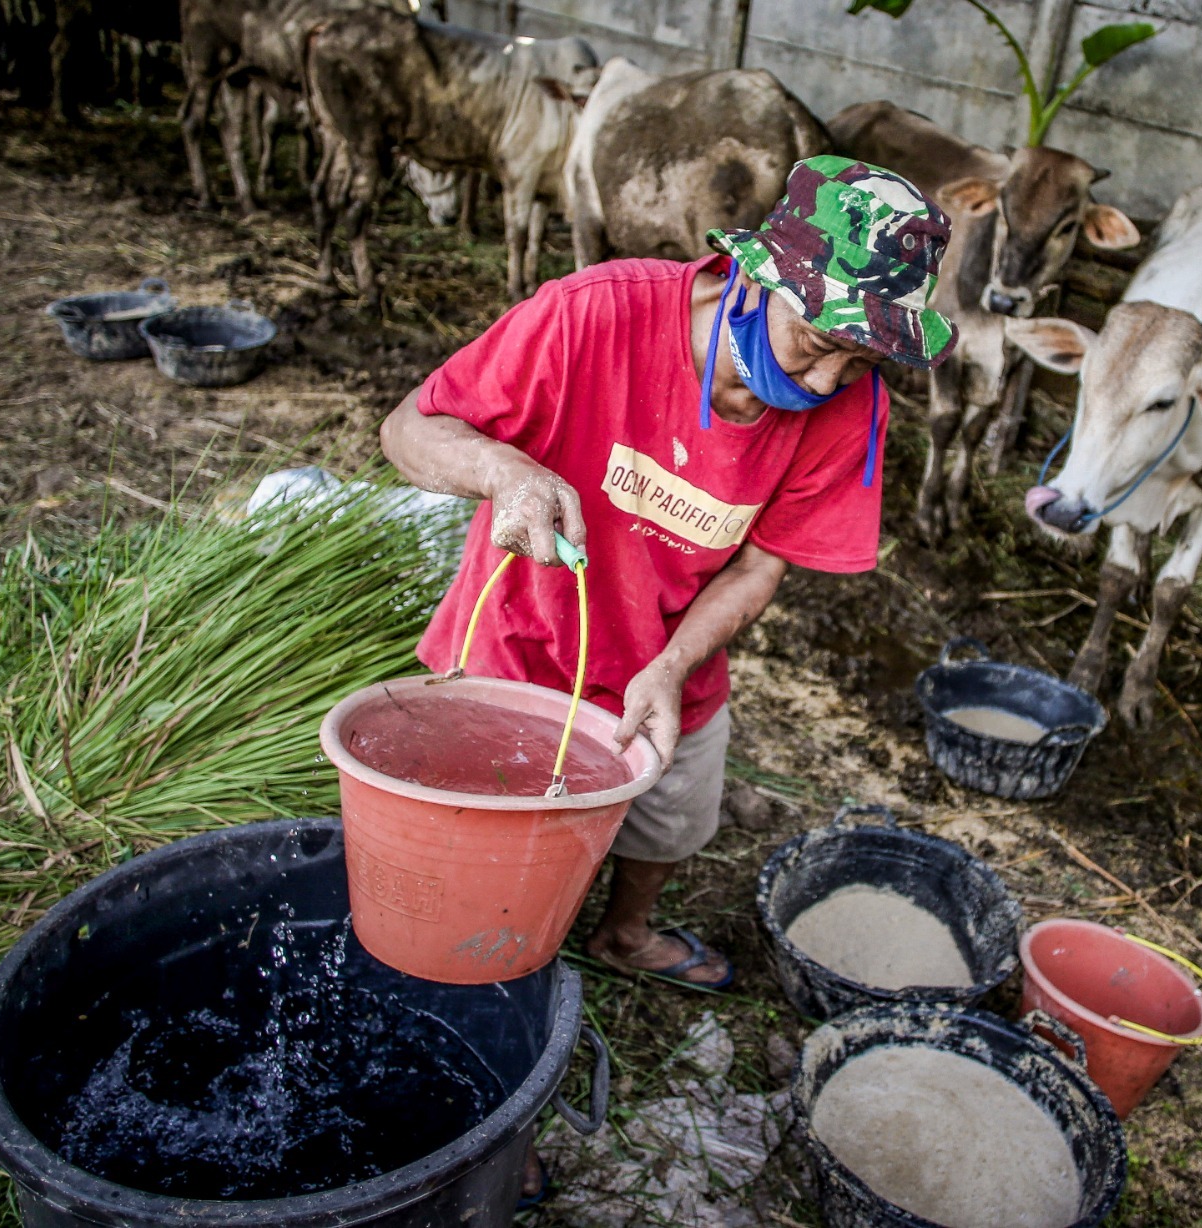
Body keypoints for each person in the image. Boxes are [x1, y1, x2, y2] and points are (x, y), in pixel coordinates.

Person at [379, 156, 956, 993]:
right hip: (520, 637)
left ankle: (623, 932)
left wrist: (672, 666)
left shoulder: (849, 410)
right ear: (754, 279)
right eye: (821, 344)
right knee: (490, 826)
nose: (827, 381)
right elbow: (407, 430)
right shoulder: (596, 315)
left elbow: (760, 566)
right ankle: (487, 947)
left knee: (671, 814)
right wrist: (505, 473)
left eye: (860, 361)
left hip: (668, 656)